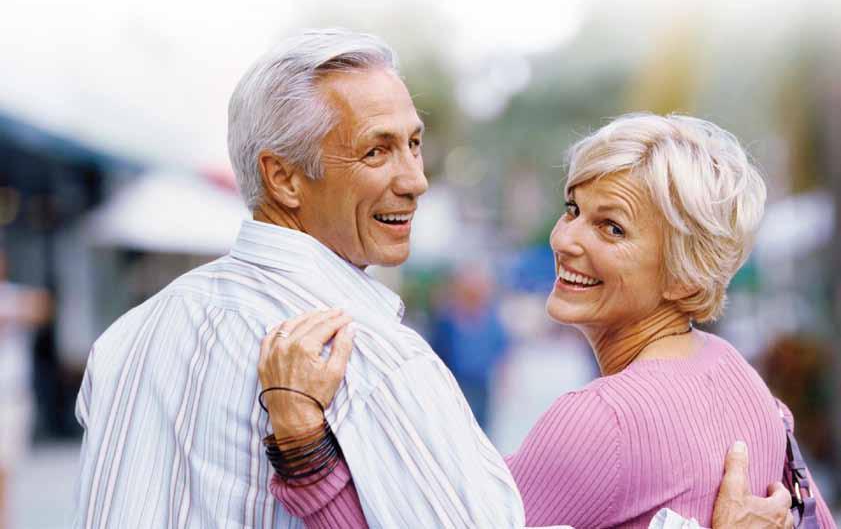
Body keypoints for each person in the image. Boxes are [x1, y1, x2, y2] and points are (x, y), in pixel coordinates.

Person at [75, 29, 791, 529]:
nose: (416, 179)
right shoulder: (371, 359)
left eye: (414, 144)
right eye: (377, 150)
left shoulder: (126, 338)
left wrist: (307, 454)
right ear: (284, 178)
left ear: (684, 272)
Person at [259, 113, 829, 527]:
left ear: (685, 275)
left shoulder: (603, 421)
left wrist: (305, 448)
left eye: (612, 228)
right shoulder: (734, 372)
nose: (565, 239)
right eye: (573, 209)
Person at [0, 249, 51, 529]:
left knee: (4, 468)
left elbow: (43, 307)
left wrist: (12, 313)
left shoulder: (13, 295)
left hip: (10, 395)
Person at [431, 263, 509, 429]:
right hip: (454, 384)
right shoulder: (447, 320)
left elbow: (501, 352)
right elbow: (436, 352)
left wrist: (504, 380)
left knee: (480, 428)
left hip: (481, 385)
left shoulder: (492, 320)